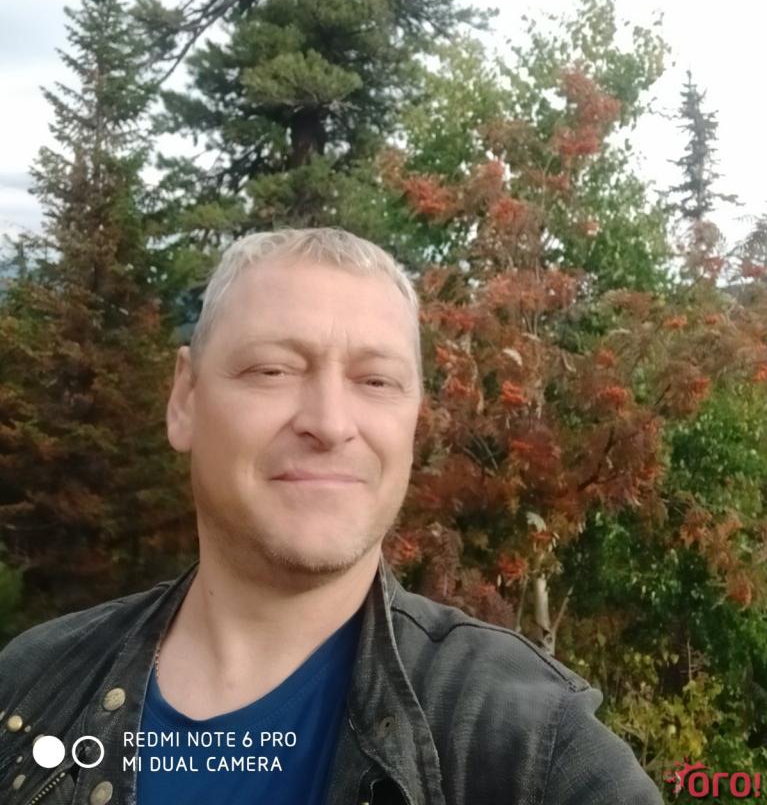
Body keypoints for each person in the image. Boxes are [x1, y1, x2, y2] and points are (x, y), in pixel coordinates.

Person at [0, 227, 662, 805]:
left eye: (376, 381)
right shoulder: (31, 684)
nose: (329, 423)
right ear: (185, 400)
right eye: (272, 370)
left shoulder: (527, 744)